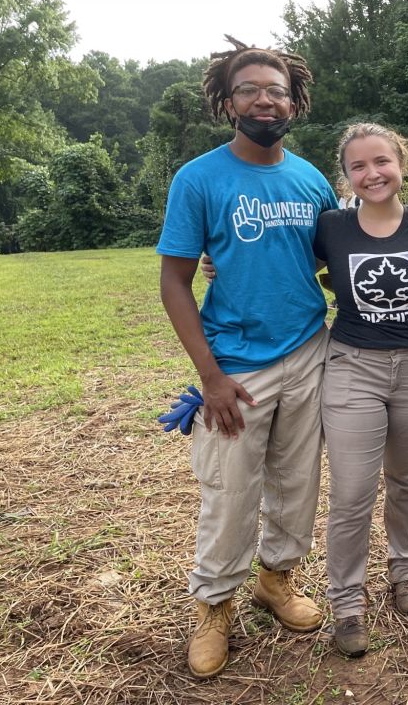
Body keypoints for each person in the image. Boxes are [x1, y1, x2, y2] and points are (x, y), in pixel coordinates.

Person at [157, 37, 336, 679]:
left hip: (309, 349)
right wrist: (211, 378)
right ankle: (213, 603)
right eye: (251, 89)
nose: (266, 99)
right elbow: (174, 280)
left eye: (277, 90)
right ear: (227, 101)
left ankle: (276, 580)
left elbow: (322, 254)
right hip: (235, 365)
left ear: (295, 102)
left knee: (296, 481)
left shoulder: (311, 178)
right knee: (231, 491)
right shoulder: (199, 178)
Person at [317, 123, 408, 657]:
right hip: (351, 366)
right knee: (351, 493)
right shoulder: (331, 226)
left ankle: (405, 571)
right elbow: (293, 269)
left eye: (381, 161)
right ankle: (346, 603)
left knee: (407, 480)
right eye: (358, 166)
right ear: (346, 176)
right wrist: (214, 263)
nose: (372, 173)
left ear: (401, 163)